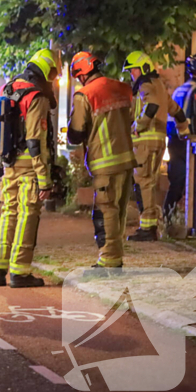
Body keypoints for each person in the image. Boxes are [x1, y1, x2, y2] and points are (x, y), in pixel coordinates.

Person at [0, 48, 58, 288]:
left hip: (8, 164)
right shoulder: (36, 96)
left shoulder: (7, 89)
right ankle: (19, 272)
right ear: (46, 71)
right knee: (28, 215)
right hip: (30, 167)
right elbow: (35, 140)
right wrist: (44, 179)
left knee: (8, 212)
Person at [67, 51, 136, 272]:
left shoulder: (85, 95)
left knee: (106, 211)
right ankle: (114, 257)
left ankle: (109, 261)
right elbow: (132, 118)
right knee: (119, 211)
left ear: (82, 73)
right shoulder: (123, 88)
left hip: (104, 163)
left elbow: (76, 132)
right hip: (127, 159)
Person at [123, 51, 189, 241]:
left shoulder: (146, 85)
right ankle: (150, 226)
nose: (132, 74)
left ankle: (147, 228)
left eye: (133, 70)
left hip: (145, 142)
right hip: (159, 142)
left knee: (142, 182)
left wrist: (138, 126)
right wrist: (183, 130)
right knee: (149, 182)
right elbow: (177, 110)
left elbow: (151, 106)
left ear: (143, 68)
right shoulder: (159, 87)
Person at [162, 54, 196, 233]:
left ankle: (167, 218)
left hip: (174, 140)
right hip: (191, 141)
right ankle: (192, 223)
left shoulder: (180, 89)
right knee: (194, 181)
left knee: (177, 182)